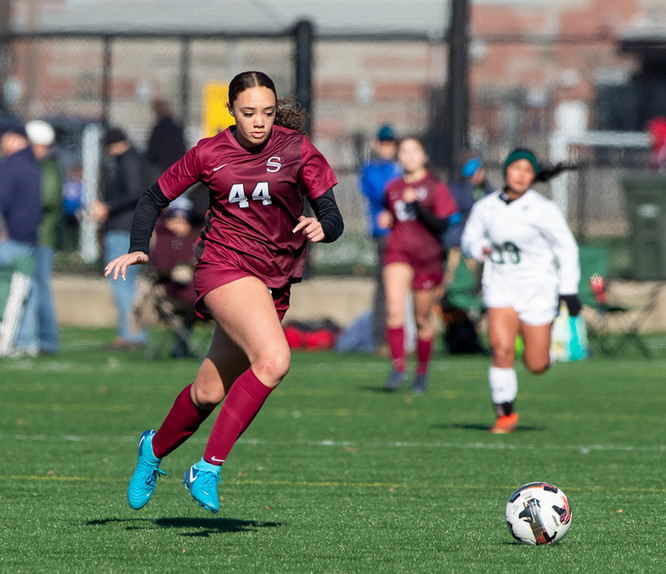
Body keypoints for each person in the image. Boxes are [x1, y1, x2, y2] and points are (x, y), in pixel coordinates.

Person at [104, 71, 343, 514]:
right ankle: (207, 468)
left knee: (208, 392)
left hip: (275, 278)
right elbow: (152, 198)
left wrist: (323, 226)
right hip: (225, 267)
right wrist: (139, 247)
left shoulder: (296, 148)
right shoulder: (209, 152)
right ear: (230, 110)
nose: (259, 121)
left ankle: (152, 449)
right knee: (274, 360)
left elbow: (331, 212)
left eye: (267, 112)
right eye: (249, 113)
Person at [461, 148, 581, 434]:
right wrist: (479, 248)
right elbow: (468, 239)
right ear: (506, 170)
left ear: (533, 176)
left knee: (536, 364)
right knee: (501, 349)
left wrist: (569, 290)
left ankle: (545, 354)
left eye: (528, 171)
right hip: (500, 285)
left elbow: (567, 248)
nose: (521, 175)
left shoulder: (543, 209)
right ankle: (505, 414)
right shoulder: (486, 206)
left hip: (537, 289)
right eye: (516, 168)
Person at [378, 136, 458, 393]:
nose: (409, 156)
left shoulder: (436, 187)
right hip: (398, 253)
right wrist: (387, 218)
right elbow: (391, 213)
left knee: (422, 318)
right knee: (394, 309)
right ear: (398, 156)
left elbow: (442, 225)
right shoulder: (392, 187)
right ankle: (398, 367)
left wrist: (416, 206)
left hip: (428, 258)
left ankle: (422, 372)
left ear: (424, 156)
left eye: (414, 151)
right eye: (404, 151)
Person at [92, 127, 148, 350]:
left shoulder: (128, 161)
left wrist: (108, 207)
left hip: (124, 229)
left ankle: (132, 334)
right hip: (128, 228)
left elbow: (133, 192)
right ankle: (133, 333)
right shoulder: (134, 159)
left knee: (121, 282)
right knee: (126, 284)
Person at [358, 124, 402, 355]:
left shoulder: (399, 167)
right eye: (384, 142)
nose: (388, 147)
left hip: (405, 232)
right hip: (385, 234)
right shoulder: (372, 169)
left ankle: (402, 337)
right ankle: (381, 339)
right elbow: (383, 193)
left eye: (391, 142)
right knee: (385, 287)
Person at [0, 123, 42, 356]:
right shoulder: (33, 166)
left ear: (14, 139)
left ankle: (7, 343)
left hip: (11, 239)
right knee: (26, 292)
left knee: (10, 294)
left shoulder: (10, 166)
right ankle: (28, 341)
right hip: (28, 240)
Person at [26, 120, 63, 355]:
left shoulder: (48, 168)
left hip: (42, 236)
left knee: (40, 288)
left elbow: (46, 199)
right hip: (38, 235)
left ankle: (48, 339)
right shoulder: (43, 166)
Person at [149, 195, 199, 358]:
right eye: (175, 221)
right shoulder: (163, 239)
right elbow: (160, 268)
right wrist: (178, 270)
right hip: (172, 292)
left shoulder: (195, 238)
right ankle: (180, 348)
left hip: (196, 289)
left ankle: (182, 347)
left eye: (183, 222)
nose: (179, 225)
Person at [443, 149, 493, 281]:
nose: (479, 174)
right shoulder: (456, 189)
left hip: (481, 242)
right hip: (457, 244)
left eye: (480, 170)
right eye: (475, 171)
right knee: (456, 278)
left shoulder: (487, 191)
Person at [146, 98, 187, 180]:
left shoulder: (158, 128)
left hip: (162, 166)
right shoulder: (177, 126)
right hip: (177, 164)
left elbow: (152, 151)